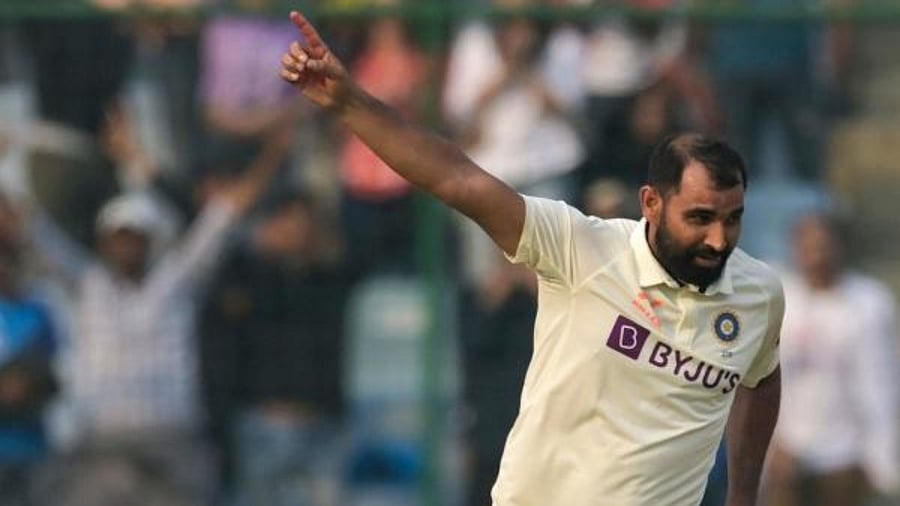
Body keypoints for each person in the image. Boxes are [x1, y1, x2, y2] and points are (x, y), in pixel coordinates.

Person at [279, 11, 783, 506]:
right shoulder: (584, 248)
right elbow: (457, 179)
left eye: (732, 218)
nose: (719, 240)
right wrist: (349, 104)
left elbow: (761, 379)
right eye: (699, 219)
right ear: (651, 202)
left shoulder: (757, 295)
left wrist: (742, 494)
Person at [765, 214, 900, 506]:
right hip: (788, 454)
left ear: (839, 247)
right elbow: (763, 379)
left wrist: (880, 461)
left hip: (845, 457)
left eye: (823, 246)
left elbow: (880, 386)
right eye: (808, 246)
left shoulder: (868, 303)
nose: (816, 256)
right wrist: (768, 446)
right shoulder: (781, 296)